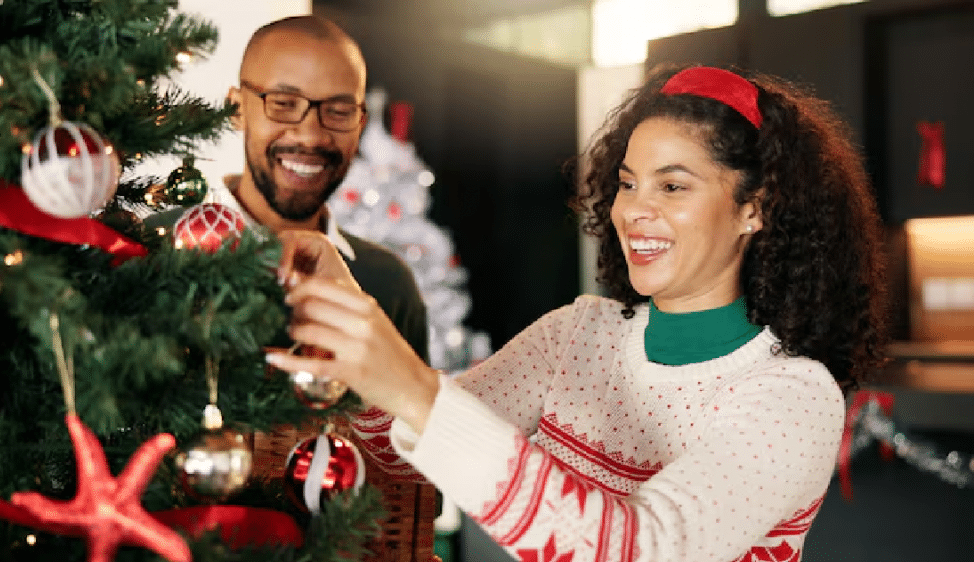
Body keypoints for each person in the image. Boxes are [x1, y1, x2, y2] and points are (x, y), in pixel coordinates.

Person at [268, 63, 888, 561]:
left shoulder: (792, 397)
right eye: (627, 182)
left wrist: (413, 385)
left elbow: (640, 548)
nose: (633, 210)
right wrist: (342, 318)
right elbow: (395, 457)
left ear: (755, 208)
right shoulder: (579, 335)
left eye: (672, 186)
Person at [149, 14, 429, 362]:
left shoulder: (388, 287)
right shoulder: (152, 249)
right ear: (236, 109)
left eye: (339, 111)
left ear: (361, 125)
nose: (310, 136)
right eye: (283, 104)